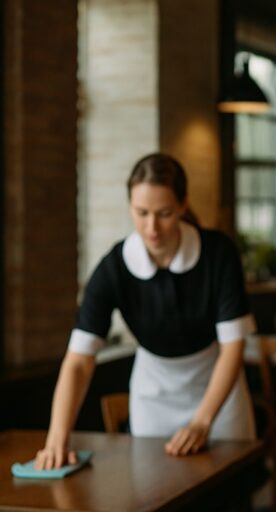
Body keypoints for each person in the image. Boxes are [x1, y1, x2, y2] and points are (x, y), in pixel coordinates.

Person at [36, 153, 257, 470]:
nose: (151, 228)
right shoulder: (114, 267)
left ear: (182, 205)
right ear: (130, 206)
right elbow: (79, 362)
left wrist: (202, 421)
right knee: (155, 486)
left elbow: (233, 347)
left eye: (164, 213)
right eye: (141, 213)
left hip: (218, 393)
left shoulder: (217, 254)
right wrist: (57, 438)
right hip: (153, 396)